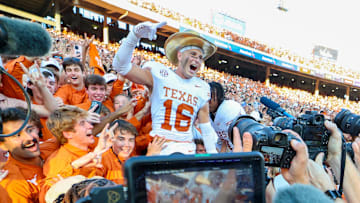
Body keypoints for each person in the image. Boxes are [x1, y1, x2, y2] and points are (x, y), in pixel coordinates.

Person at [112, 21, 219, 154]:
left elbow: (206, 127)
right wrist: (134, 36)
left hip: (187, 150)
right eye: (193, 54)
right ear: (180, 55)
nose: (197, 60)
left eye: (200, 57)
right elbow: (120, 66)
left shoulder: (202, 87)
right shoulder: (159, 74)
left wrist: (214, 158)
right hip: (161, 149)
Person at [0, 108, 45, 202]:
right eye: (17, 135)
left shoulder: (52, 148)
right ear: (3, 145)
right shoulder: (12, 183)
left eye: (29, 130)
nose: (30, 137)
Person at [208, 81, 245, 152]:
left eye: (210, 98)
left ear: (219, 97)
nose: (207, 102)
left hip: (243, 150)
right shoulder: (210, 114)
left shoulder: (229, 108)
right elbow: (222, 139)